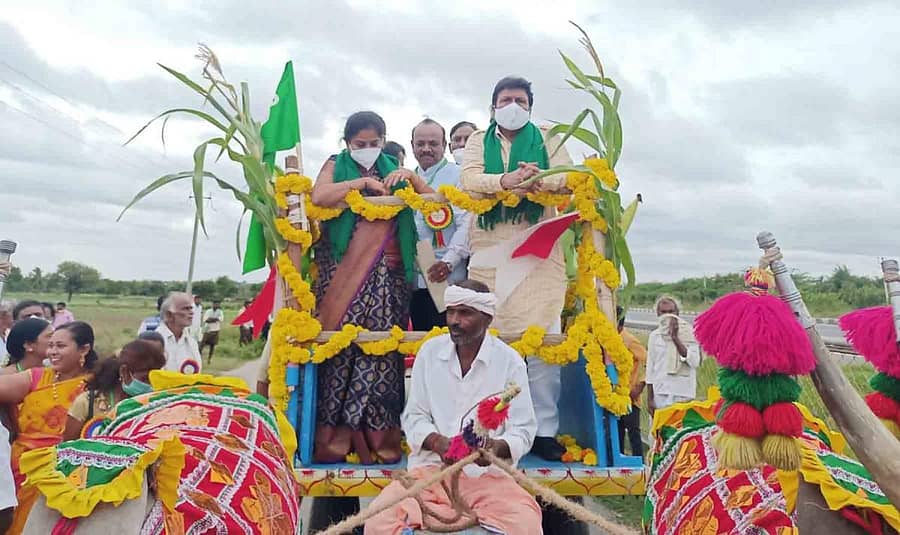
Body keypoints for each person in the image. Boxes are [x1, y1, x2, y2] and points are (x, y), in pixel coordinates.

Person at [365, 281, 541, 534]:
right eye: (451, 312)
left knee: (525, 524)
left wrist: (492, 448)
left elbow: (522, 431)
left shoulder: (510, 362)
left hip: (487, 480)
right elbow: (414, 416)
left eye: (465, 313)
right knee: (378, 520)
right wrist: (437, 442)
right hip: (429, 475)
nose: (454, 321)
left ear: (487, 318)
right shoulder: (429, 353)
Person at [309, 110, 433, 464]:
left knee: (381, 355)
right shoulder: (336, 163)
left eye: (373, 143)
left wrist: (410, 177)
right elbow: (320, 197)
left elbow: (436, 204)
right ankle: (335, 441)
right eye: (359, 144)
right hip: (343, 275)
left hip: (390, 276)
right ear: (347, 143)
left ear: (383, 141)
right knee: (340, 353)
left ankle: (381, 443)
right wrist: (360, 186)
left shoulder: (393, 165)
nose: (366, 149)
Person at [460, 76, 573, 461]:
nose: (513, 105)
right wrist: (505, 181)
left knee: (543, 344)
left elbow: (568, 176)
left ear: (530, 105)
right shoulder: (478, 139)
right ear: (492, 106)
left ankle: (544, 430)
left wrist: (537, 178)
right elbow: (470, 179)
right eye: (505, 99)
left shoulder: (548, 137)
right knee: (486, 342)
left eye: (520, 100)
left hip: (538, 251)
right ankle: (486, 426)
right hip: (491, 252)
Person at [0, 320, 95, 534]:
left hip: (71, 470)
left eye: (60, 346)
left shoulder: (98, 383)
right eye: (50, 345)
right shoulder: (37, 377)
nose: (52, 352)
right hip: (24, 469)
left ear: (84, 349)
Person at [409, 118, 471, 330]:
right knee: (421, 345)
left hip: (448, 278)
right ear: (412, 146)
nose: (426, 149)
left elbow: (467, 224)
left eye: (433, 144)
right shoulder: (405, 179)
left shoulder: (458, 175)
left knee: (450, 344)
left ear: (444, 146)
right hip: (414, 282)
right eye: (421, 144)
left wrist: (448, 262)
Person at [63, 339, 166, 440]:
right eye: (145, 379)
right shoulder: (88, 402)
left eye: (155, 378)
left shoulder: (155, 404)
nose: (150, 385)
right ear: (124, 372)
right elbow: (67, 447)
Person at [646, 295, 701, 416]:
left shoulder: (690, 333)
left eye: (671, 311)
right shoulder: (655, 336)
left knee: (680, 431)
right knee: (659, 431)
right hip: (660, 392)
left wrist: (675, 338)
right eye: (663, 312)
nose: (667, 315)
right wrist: (650, 398)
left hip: (683, 392)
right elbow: (650, 368)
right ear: (657, 313)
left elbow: (694, 361)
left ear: (677, 312)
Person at [616, 306, 647, 458]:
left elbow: (648, 363)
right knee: (617, 430)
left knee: (633, 431)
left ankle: (639, 463)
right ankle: (620, 461)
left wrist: (640, 386)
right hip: (614, 396)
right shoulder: (607, 339)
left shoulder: (630, 341)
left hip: (630, 395)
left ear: (620, 324)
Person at [156, 292, 202, 374]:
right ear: (169, 314)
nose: (191, 312)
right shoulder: (154, 342)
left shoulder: (191, 343)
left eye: (191, 308)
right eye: (185, 309)